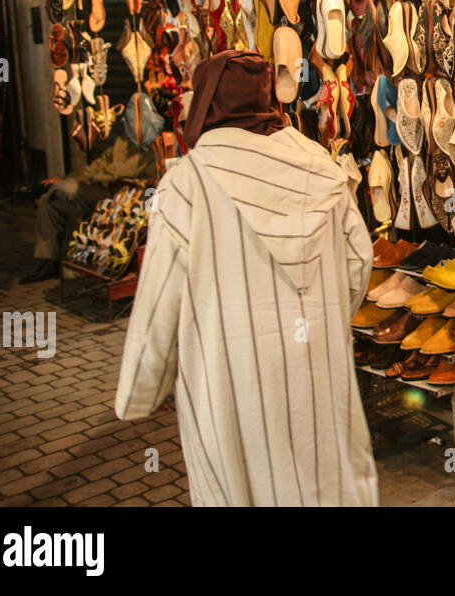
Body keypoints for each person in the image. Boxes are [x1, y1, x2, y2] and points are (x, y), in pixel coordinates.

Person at [114, 50, 378, 506]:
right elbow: (359, 261)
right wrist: (324, 318)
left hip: (230, 391)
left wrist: (141, 387)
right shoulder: (321, 169)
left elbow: (159, 301)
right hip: (315, 379)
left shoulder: (188, 185)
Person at [24, 133, 157, 283]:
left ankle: (50, 188)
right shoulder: (122, 141)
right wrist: (73, 177)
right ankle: (47, 261)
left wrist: (83, 178)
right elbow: (97, 166)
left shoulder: (147, 145)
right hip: (105, 189)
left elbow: (115, 173)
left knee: (62, 189)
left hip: (128, 193)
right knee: (49, 202)